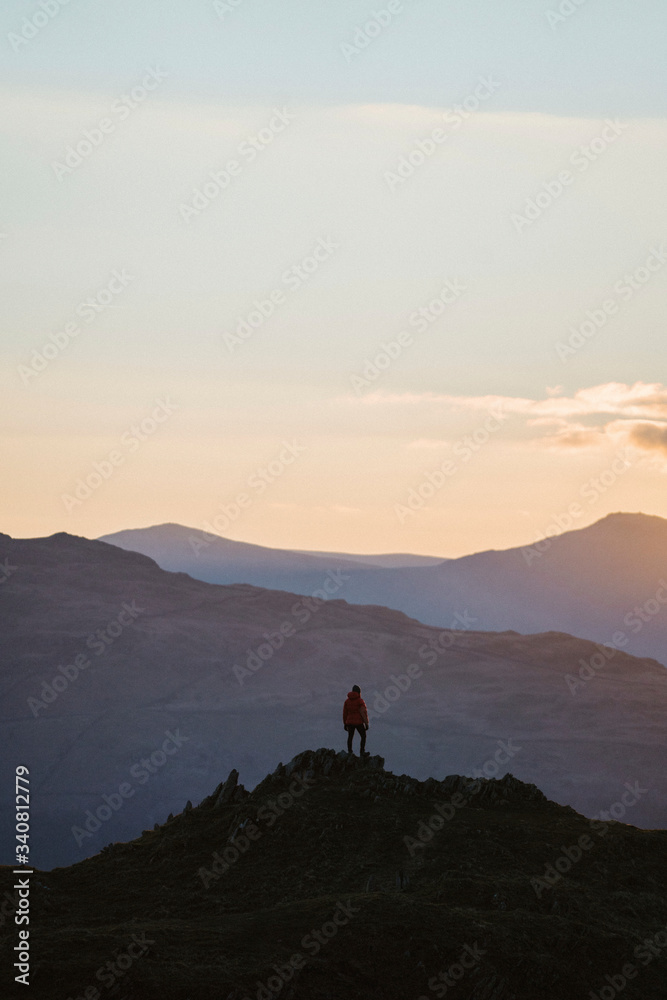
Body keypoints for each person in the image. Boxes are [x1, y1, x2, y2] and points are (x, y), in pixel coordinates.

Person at [343, 685, 369, 756]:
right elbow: (363, 713)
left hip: (350, 722)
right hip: (358, 722)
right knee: (363, 736)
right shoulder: (360, 701)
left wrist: (345, 723)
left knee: (350, 737)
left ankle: (350, 751)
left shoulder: (347, 701)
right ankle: (362, 752)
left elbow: (345, 713)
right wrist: (366, 723)